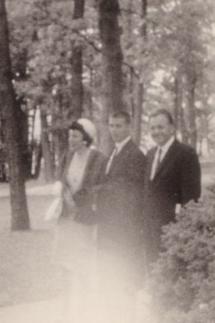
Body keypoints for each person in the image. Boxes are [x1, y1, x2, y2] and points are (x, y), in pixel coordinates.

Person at [52, 118, 106, 323]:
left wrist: (81, 202)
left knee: (83, 266)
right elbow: (61, 179)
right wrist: (62, 193)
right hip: (66, 220)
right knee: (65, 266)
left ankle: (86, 311)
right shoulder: (68, 156)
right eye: (69, 136)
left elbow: (99, 187)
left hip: (84, 221)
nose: (71, 140)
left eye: (75, 136)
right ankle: (65, 310)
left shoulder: (98, 158)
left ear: (86, 138)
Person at [95, 111, 146, 323]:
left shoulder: (135, 155)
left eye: (118, 126)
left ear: (129, 127)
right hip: (109, 232)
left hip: (124, 233)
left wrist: (100, 191)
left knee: (125, 285)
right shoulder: (113, 153)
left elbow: (130, 194)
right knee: (111, 284)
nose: (114, 130)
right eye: (111, 125)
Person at [143, 109, 201, 265]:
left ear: (171, 128)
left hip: (172, 228)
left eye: (160, 127)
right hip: (150, 229)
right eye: (153, 128)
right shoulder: (150, 154)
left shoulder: (186, 154)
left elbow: (191, 197)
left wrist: (181, 230)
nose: (156, 132)